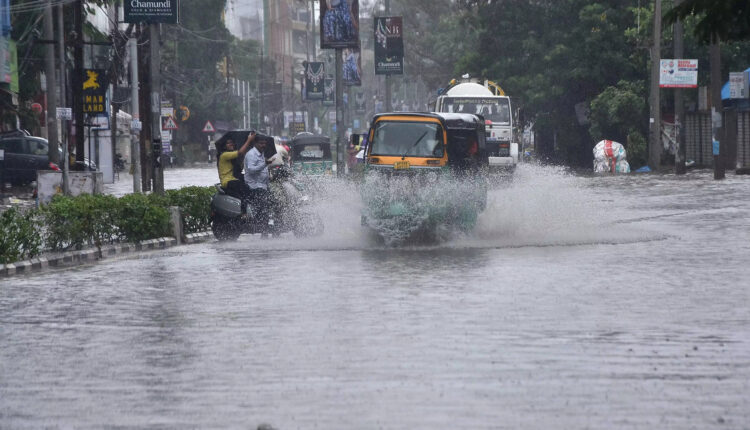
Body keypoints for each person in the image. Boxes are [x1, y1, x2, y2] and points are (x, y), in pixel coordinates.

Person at [244, 136, 275, 233]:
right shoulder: (251, 154)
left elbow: (262, 169)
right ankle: (263, 229)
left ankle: (270, 226)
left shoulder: (261, 154)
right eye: (261, 143)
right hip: (254, 186)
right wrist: (265, 164)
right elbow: (251, 170)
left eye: (264, 143)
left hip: (263, 185)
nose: (263, 145)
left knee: (275, 202)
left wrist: (269, 175)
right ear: (255, 143)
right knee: (263, 207)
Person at [217, 132, 255, 201]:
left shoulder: (232, 157)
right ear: (224, 146)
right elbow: (240, 152)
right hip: (228, 181)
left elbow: (240, 169)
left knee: (249, 184)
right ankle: (244, 211)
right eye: (228, 143)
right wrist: (249, 140)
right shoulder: (224, 155)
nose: (231, 144)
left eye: (232, 142)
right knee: (245, 191)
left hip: (234, 179)